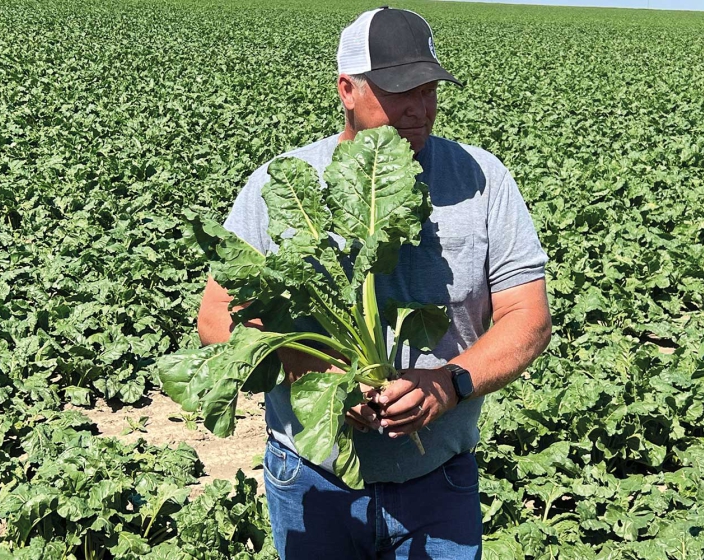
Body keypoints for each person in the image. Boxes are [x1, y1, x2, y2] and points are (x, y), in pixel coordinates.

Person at [197, 7, 552, 559]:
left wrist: (448, 383)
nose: (419, 109)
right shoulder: (284, 183)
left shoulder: (483, 179)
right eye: (398, 92)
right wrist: (324, 378)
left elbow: (527, 317)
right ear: (347, 89)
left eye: (429, 89)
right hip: (314, 481)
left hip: (439, 482)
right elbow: (218, 315)